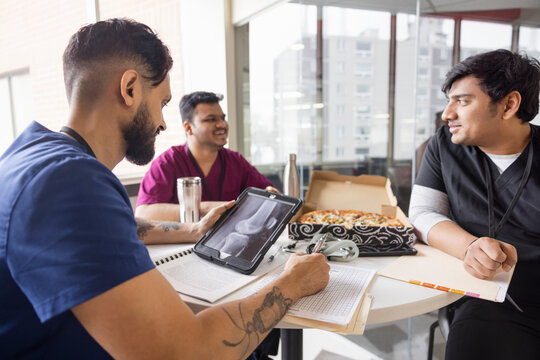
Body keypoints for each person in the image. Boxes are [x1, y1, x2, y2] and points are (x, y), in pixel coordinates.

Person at [0, 18, 330, 359]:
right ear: (129, 88)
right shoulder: (70, 183)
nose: (161, 122)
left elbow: (129, 226)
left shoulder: (32, 155)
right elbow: (186, 353)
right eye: (162, 103)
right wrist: (293, 283)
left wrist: (194, 229)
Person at [409, 49, 540, 359]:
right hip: (490, 302)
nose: (447, 113)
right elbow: (423, 214)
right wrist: (469, 248)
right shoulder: (444, 146)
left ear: (509, 104)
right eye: (449, 100)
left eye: (462, 101)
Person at [135, 91, 277, 228]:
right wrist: (203, 207)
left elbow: (271, 197)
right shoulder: (167, 163)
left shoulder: (235, 161)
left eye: (222, 118)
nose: (222, 124)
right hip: (182, 246)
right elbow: (144, 214)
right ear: (188, 128)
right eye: (211, 119)